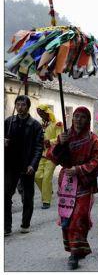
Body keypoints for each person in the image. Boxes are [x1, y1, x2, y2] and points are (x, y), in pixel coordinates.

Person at [47, 107, 98, 270]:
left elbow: (96, 162)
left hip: (84, 183)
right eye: (76, 116)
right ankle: (74, 248)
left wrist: (78, 170)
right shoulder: (64, 136)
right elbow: (52, 156)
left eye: (82, 117)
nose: (78, 119)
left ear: (88, 120)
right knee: (67, 219)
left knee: (79, 217)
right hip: (67, 183)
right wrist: (60, 145)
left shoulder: (94, 140)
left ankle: (74, 254)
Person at [4, 95, 44, 236]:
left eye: (23, 105)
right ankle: (6, 226)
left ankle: (25, 223)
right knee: (5, 195)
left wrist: (33, 164)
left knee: (27, 197)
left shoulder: (35, 125)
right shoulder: (8, 122)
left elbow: (39, 148)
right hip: (10, 165)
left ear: (28, 107)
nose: (20, 107)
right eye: (18, 104)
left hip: (27, 166)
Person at [35, 104, 63, 209]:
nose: (40, 115)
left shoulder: (57, 124)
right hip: (41, 154)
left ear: (47, 112)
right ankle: (48, 190)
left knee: (47, 177)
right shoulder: (40, 125)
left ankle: (46, 201)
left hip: (52, 154)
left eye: (42, 113)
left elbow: (59, 138)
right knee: (37, 176)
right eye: (39, 113)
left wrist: (49, 142)